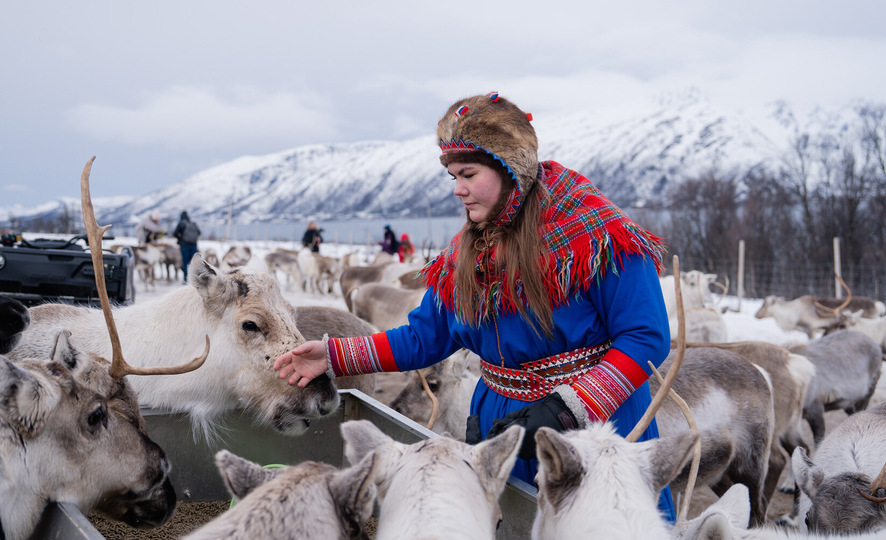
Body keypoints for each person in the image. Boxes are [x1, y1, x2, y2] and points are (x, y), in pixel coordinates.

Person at [273, 93, 675, 520]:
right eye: (452, 177)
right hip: (504, 432)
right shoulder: (468, 252)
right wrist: (333, 355)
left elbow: (646, 336)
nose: (459, 190)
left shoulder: (598, 235)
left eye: (468, 174)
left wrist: (568, 408)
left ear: (510, 168)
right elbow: (425, 337)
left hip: (593, 427)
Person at [173, 210, 201, 282]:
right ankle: (195, 279)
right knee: (194, 262)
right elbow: (199, 233)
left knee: (185, 263)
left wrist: (180, 239)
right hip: (194, 245)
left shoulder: (181, 224)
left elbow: (175, 233)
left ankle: (186, 279)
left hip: (184, 246)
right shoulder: (193, 224)